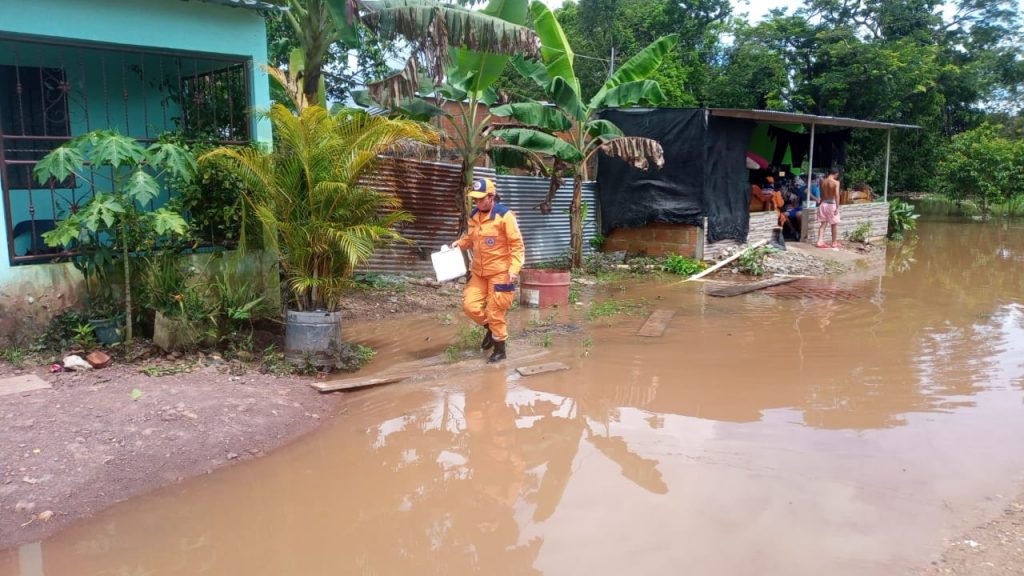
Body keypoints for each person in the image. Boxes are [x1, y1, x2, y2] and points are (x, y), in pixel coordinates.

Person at [451, 177, 525, 363]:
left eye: (480, 198)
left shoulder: (505, 216)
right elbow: (470, 239)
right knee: (470, 306)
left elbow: (517, 246)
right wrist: (459, 244)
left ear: (491, 197)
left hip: (500, 272)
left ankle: (500, 349)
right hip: (478, 272)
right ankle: (492, 330)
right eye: (474, 198)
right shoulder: (474, 216)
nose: (477, 201)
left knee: (495, 312)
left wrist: (514, 269)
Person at [816, 168, 842, 248]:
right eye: (837, 174)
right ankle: (834, 243)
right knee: (834, 224)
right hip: (831, 204)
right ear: (835, 173)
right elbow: (837, 195)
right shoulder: (836, 182)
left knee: (823, 224)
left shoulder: (822, 182)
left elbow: (821, 195)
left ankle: (820, 241)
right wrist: (837, 207)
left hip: (823, 204)